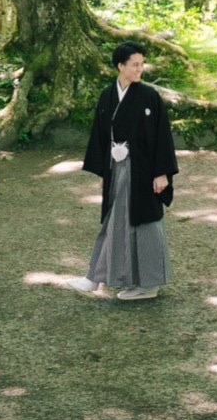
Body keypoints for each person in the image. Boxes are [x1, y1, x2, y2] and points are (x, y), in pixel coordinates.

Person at [67, 41, 178, 301]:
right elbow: (100, 134)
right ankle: (100, 277)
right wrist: (106, 167)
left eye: (142, 64)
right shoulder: (108, 95)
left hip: (144, 168)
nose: (140, 69)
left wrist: (162, 172)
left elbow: (162, 136)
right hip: (118, 167)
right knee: (116, 220)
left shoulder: (149, 96)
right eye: (135, 65)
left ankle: (147, 284)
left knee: (146, 223)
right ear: (121, 66)